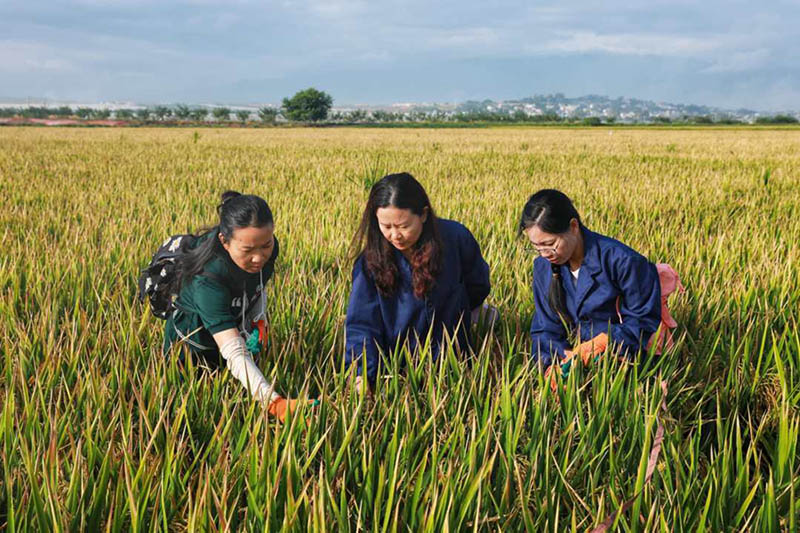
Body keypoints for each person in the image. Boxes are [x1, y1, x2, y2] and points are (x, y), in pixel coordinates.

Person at [163, 191, 307, 422]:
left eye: (265, 245)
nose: (259, 258)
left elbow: (258, 285)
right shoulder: (208, 279)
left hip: (232, 330)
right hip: (191, 350)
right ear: (224, 241)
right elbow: (234, 350)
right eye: (248, 251)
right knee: (198, 413)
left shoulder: (266, 248)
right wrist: (274, 403)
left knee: (237, 389)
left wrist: (260, 319)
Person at [344, 172, 492, 391]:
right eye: (386, 226)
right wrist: (362, 375)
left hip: (453, 365)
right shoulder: (369, 263)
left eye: (403, 226)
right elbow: (363, 323)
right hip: (396, 371)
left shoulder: (456, 238)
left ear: (423, 214)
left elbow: (478, 285)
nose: (395, 235)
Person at [519, 189, 661, 380]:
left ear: (573, 226)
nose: (545, 253)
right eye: (536, 247)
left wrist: (603, 344)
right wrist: (554, 364)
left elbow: (643, 323)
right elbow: (545, 328)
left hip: (622, 362)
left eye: (550, 244)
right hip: (572, 362)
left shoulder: (624, 262)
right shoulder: (543, 267)